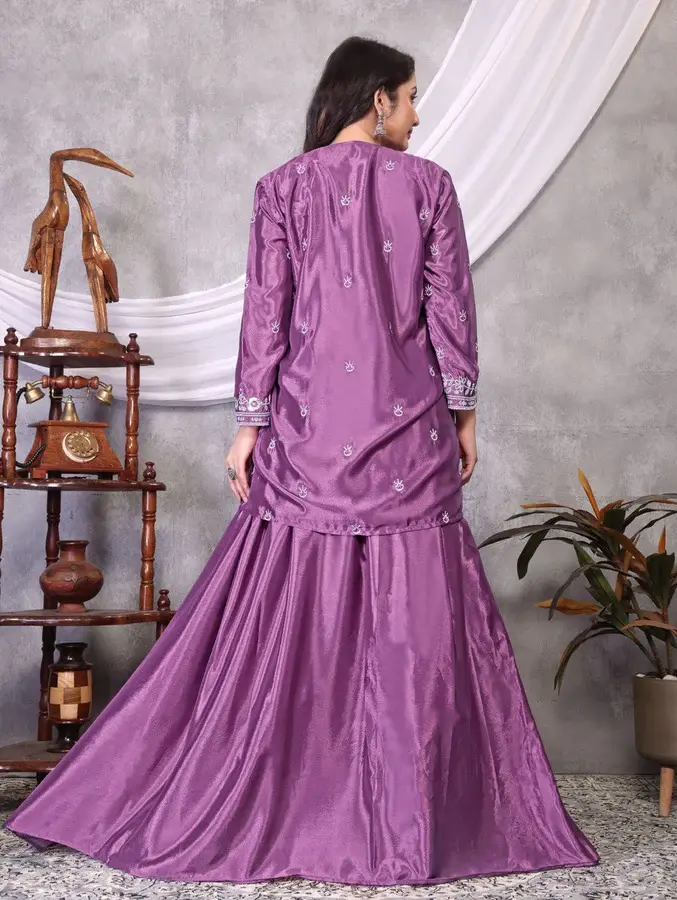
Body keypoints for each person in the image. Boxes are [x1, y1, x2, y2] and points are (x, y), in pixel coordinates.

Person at [4, 36, 599, 886]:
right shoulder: (429, 186)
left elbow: (267, 315)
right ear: (377, 100)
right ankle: (412, 815)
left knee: (291, 616)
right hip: (410, 429)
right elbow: (450, 311)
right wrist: (464, 413)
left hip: (310, 430)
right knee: (416, 625)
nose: (418, 114)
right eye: (410, 97)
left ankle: (297, 797)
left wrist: (250, 425)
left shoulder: (282, 188)